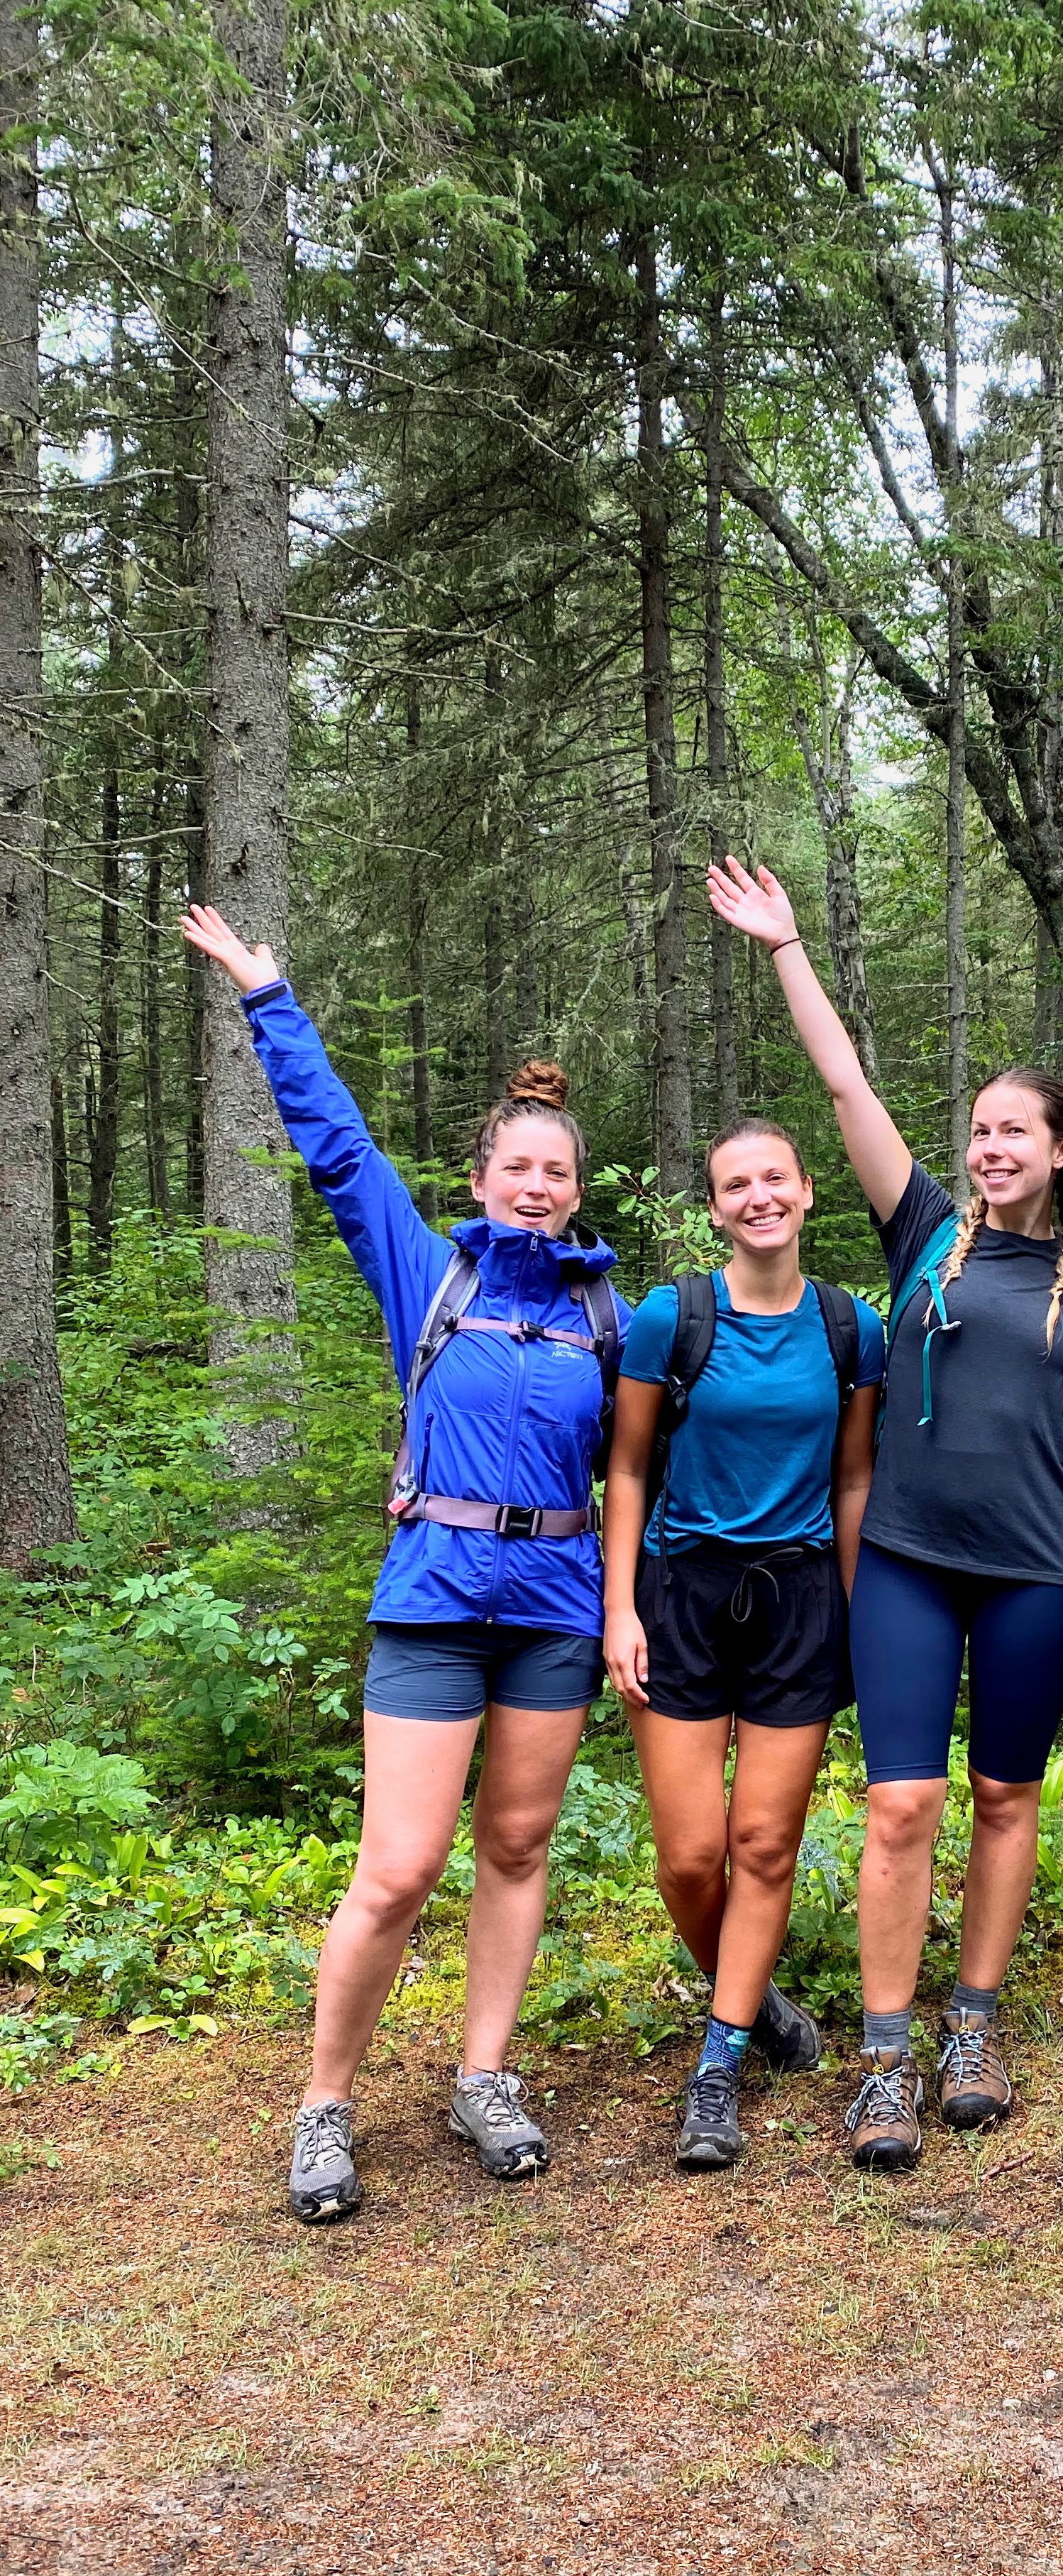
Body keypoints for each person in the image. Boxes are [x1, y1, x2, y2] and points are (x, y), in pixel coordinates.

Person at [182, 903, 629, 2225]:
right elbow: (336, 1147)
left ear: (576, 1187)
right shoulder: (427, 1274)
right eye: (518, 1170)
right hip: (433, 1604)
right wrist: (270, 994)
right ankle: (326, 2102)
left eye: (557, 1172)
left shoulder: (609, 1316)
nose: (537, 1187)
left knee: (520, 1842)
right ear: (483, 1179)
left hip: (552, 1614)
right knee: (399, 1867)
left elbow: (647, 1465)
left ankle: (483, 2076)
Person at [707, 856, 1063, 2173]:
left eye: (1015, 1133)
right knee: (898, 1807)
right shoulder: (926, 1233)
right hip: (910, 1564)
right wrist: (784, 950)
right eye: (978, 1129)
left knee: (1004, 1793)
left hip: (1043, 1565)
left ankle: (972, 2028)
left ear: (1058, 1151)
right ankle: (886, 2057)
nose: (990, 1147)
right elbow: (844, 1088)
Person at [602, 1117, 884, 2171]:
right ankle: (755, 1997)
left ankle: (718, 2063)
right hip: (680, 1592)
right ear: (715, 1208)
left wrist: (861, 1617)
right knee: (688, 1856)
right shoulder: (670, 1319)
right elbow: (626, 1469)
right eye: (736, 1185)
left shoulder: (852, 1327)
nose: (759, 1197)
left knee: (763, 1844)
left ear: (808, 1192)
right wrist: (618, 1607)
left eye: (776, 1178)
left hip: (802, 1597)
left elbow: (853, 1478)